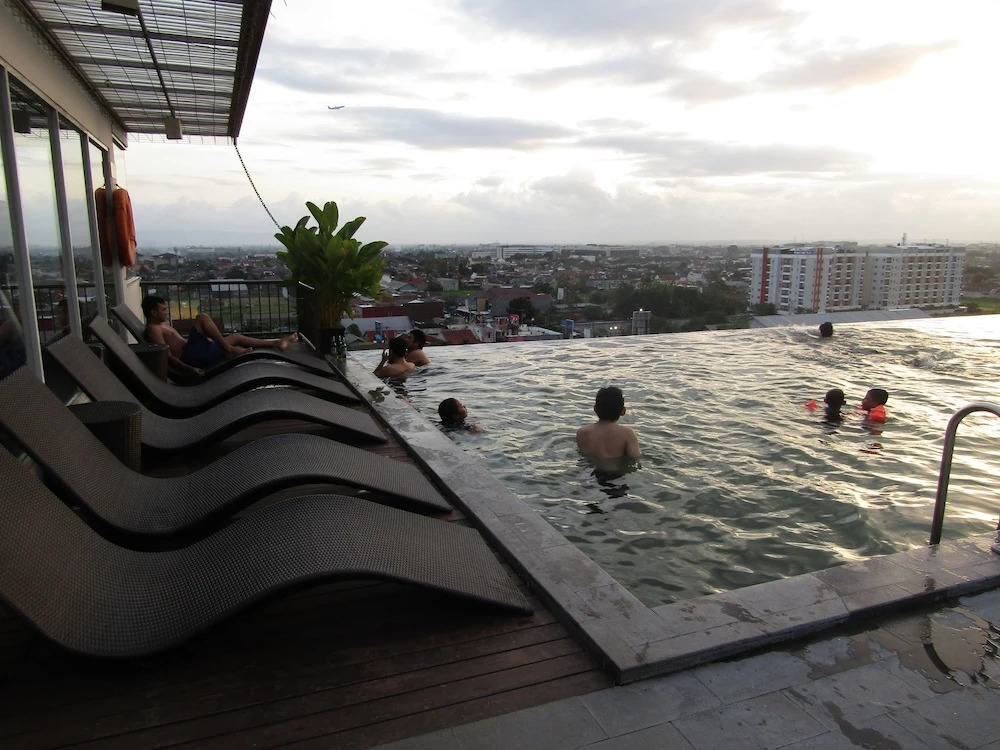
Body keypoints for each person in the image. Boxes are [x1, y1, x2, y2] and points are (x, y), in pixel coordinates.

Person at [142, 295, 297, 377]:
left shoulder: (161, 324)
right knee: (202, 317)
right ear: (153, 312)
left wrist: (205, 339)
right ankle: (228, 349)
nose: (166, 312)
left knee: (237, 337)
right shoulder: (153, 330)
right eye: (163, 310)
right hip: (191, 356)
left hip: (195, 349)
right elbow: (167, 356)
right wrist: (190, 369)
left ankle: (277, 343)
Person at [576, 386, 641, 464]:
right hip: (617, 471)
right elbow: (635, 458)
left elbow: (583, 456)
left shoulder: (582, 432)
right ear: (623, 411)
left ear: (595, 409)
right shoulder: (627, 433)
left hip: (591, 470)